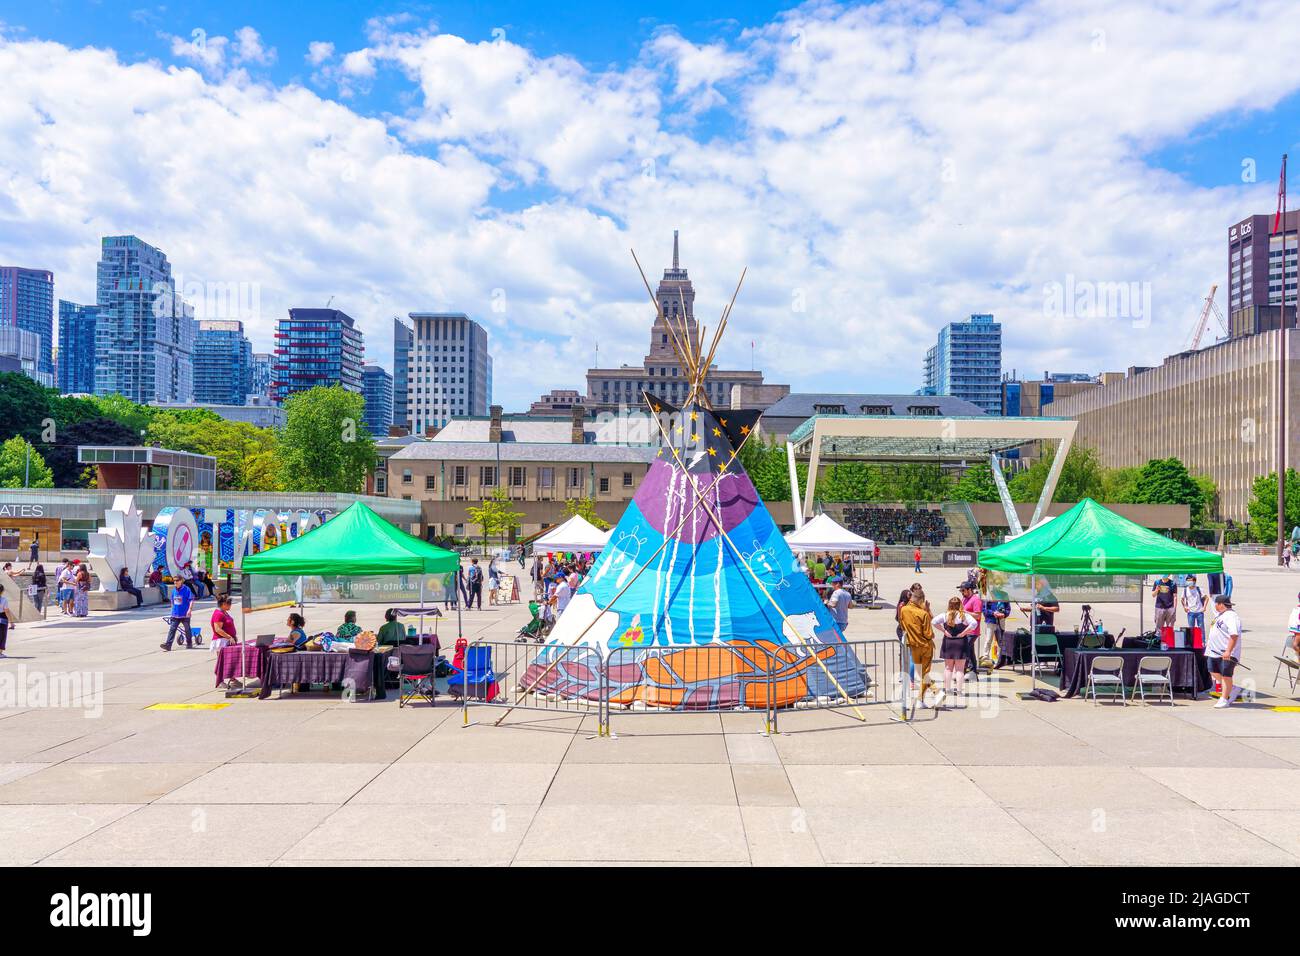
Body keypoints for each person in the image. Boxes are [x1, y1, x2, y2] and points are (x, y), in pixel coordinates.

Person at [934, 596, 977, 707]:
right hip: (961, 642)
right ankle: (959, 691)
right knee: (960, 669)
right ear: (960, 605)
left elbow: (933, 621)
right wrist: (964, 632)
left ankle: (947, 689)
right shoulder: (964, 616)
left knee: (948, 668)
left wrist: (944, 631)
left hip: (949, 642)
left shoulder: (945, 615)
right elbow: (974, 623)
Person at [897, 590, 936, 707]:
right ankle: (921, 699)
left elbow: (902, 624)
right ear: (921, 600)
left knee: (922, 673)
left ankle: (936, 692)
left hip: (912, 645)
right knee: (925, 673)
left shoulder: (903, 610)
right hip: (925, 646)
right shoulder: (923, 613)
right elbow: (929, 634)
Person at [1207, 595, 1243, 707]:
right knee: (1212, 670)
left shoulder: (1232, 617)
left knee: (1226, 675)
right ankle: (1232, 689)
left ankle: (1224, 699)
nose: (1215, 606)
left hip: (1226, 652)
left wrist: (1228, 651)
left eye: (1216, 604)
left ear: (1221, 604)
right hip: (1214, 651)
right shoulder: (1220, 615)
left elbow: (1234, 635)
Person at [160, 577, 195, 651]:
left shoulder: (186, 589)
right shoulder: (174, 590)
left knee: (187, 629)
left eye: (177, 581)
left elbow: (191, 600)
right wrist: (172, 611)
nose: (175, 582)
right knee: (172, 630)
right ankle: (168, 645)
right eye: (174, 581)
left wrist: (190, 610)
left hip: (185, 614)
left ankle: (189, 643)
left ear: (181, 581)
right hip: (175, 614)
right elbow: (172, 601)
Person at [958, 580, 983, 677]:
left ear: (969, 590)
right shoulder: (964, 598)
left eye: (963, 591)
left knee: (964, 649)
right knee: (970, 650)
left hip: (972, 631)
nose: (962, 593)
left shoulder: (976, 600)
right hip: (965, 629)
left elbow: (977, 615)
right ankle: (973, 670)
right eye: (961, 591)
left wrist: (964, 612)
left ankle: (963, 670)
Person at [0, 583, 14, 656]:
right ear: (2, 591)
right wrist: (11, 622)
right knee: (2, 636)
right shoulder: (4, 600)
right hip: (2, 617)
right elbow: (7, 611)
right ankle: (0, 653)